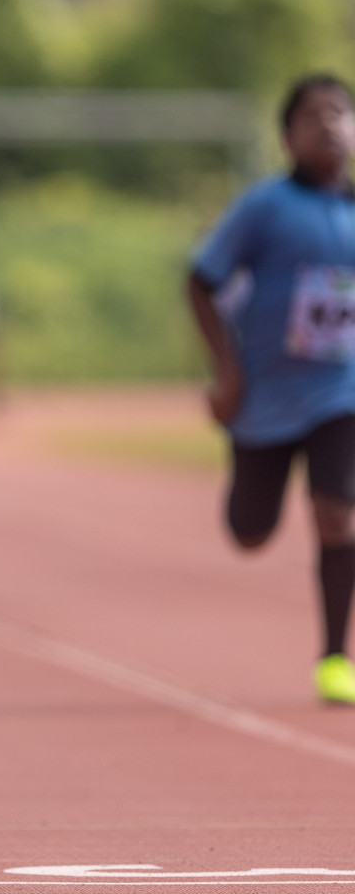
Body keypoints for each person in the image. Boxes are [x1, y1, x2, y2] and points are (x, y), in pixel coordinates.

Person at [188, 72, 355, 705]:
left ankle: (336, 658)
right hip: (264, 396)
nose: (330, 124)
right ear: (288, 136)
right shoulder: (265, 207)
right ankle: (246, 471)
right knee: (250, 531)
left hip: (340, 391)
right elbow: (200, 280)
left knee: (336, 512)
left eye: (341, 112)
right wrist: (228, 374)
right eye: (313, 116)